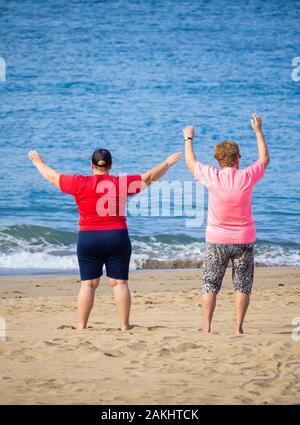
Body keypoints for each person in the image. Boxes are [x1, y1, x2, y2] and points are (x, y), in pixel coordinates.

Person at [28, 148, 182, 331]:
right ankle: (124, 325)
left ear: (91, 166)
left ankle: (81, 325)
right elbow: (148, 177)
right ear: (110, 165)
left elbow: (53, 178)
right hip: (116, 237)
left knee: (88, 284)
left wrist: (39, 163)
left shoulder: (79, 183)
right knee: (119, 283)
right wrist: (168, 163)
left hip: (88, 238)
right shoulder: (120, 184)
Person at [184, 113, 270, 334]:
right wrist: (258, 132)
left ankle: (206, 326)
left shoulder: (212, 175)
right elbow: (264, 160)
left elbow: (190, 162)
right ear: (238, 159)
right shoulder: (246, 177)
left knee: (210, 284)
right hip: (244, 240)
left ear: (219, 160)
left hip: (216, 240)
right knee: (242, 285)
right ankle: (238, 327)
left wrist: (188, 139)